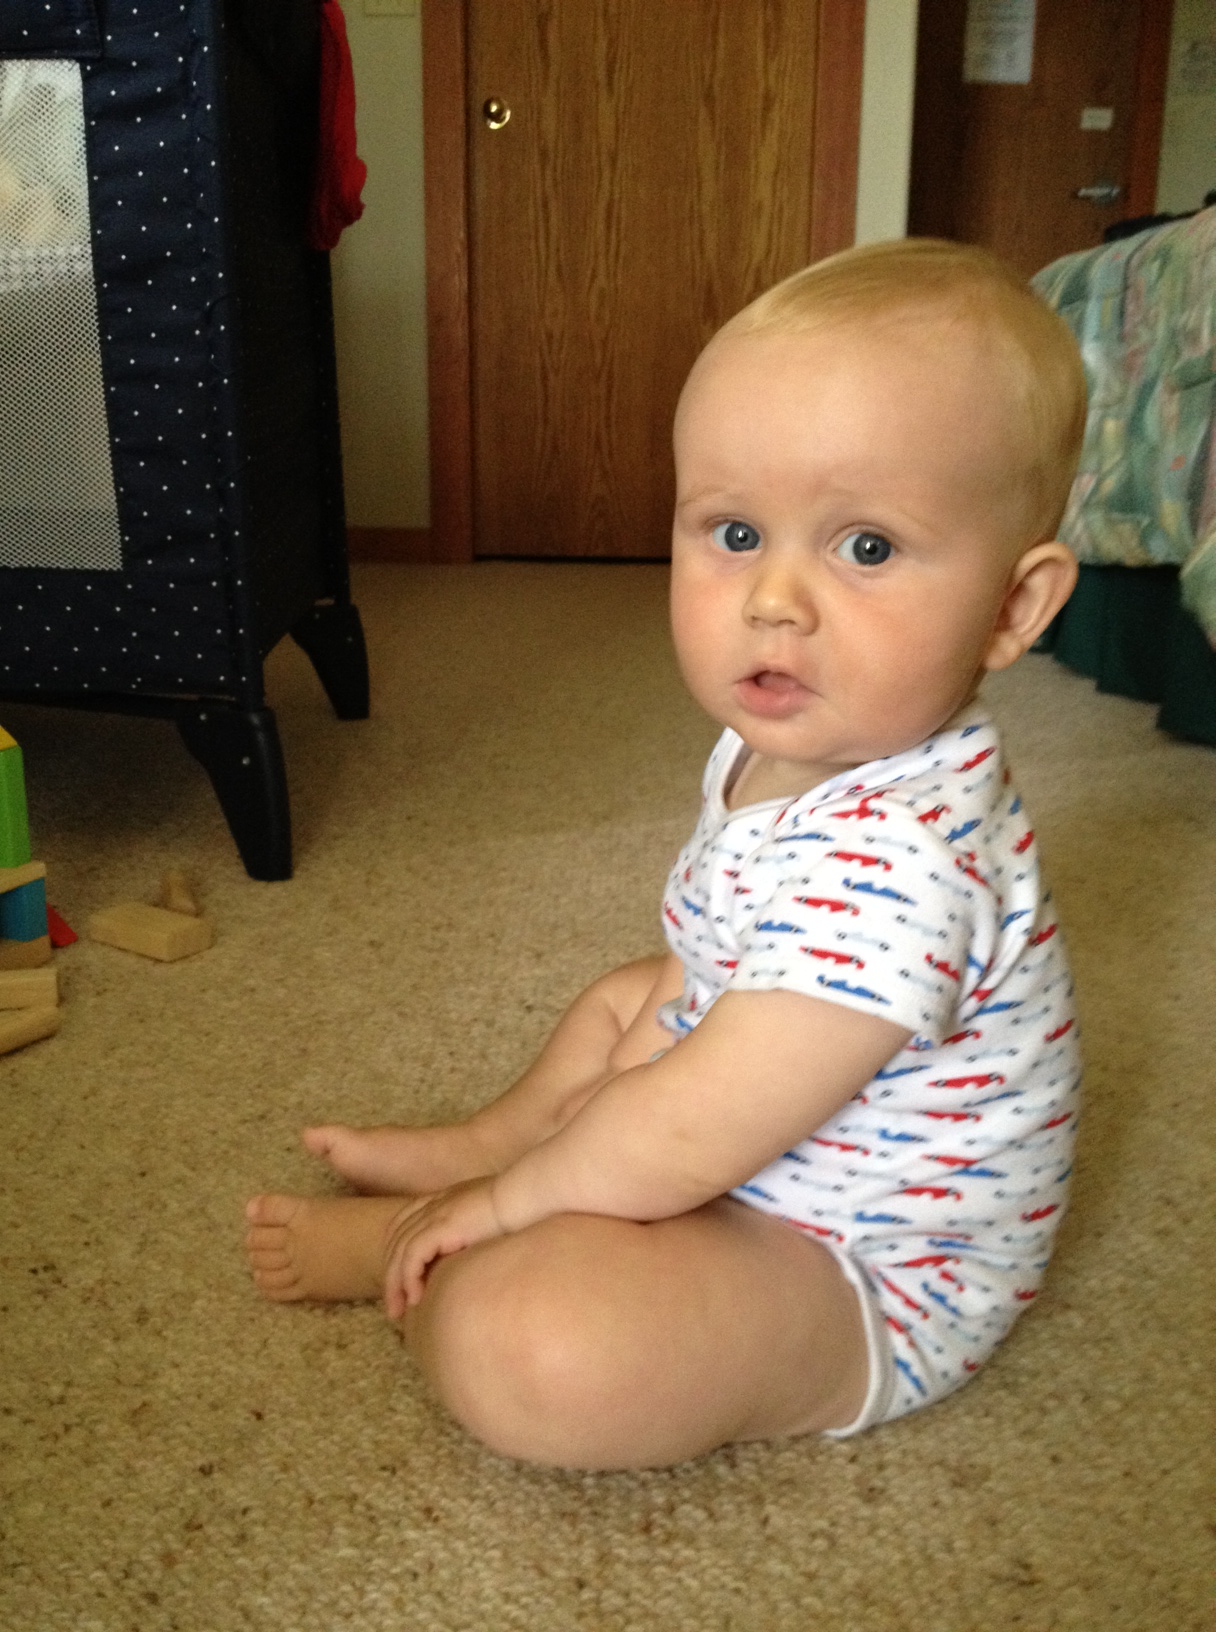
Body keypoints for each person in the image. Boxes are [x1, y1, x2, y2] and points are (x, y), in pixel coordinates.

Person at [246, 239, 1086, 1471]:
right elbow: (701, 986)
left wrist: (513, 1210)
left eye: (864, 548)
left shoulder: (906, 858)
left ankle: (417, 1236)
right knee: (627, 994)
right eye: (735, 532)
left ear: (1012, 608)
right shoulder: (782, 746)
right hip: (743, 1108)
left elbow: (690, 1131)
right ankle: (489, 1142)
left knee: (542, 1349)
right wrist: (574, 1131)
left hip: (862, 1267)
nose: (772, 600)